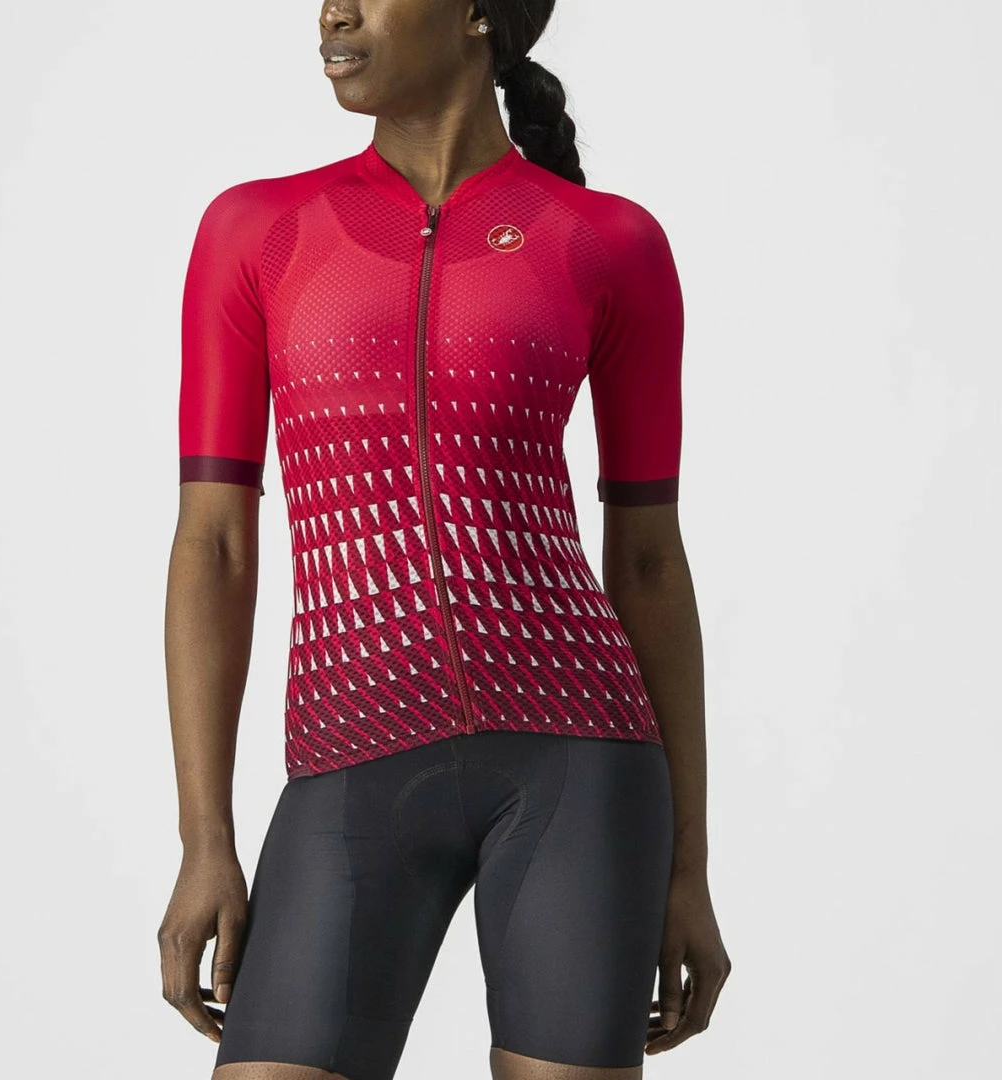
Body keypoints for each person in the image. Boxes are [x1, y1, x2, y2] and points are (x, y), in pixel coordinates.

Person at [158, 1, 731, 1077]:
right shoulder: (259, 230)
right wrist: (205, 841)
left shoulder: (608, 242)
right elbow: (215, 545)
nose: (334, 9)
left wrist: (687, 868)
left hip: (580, 759)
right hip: (351, 754)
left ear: (475, 11)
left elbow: (651, 558)